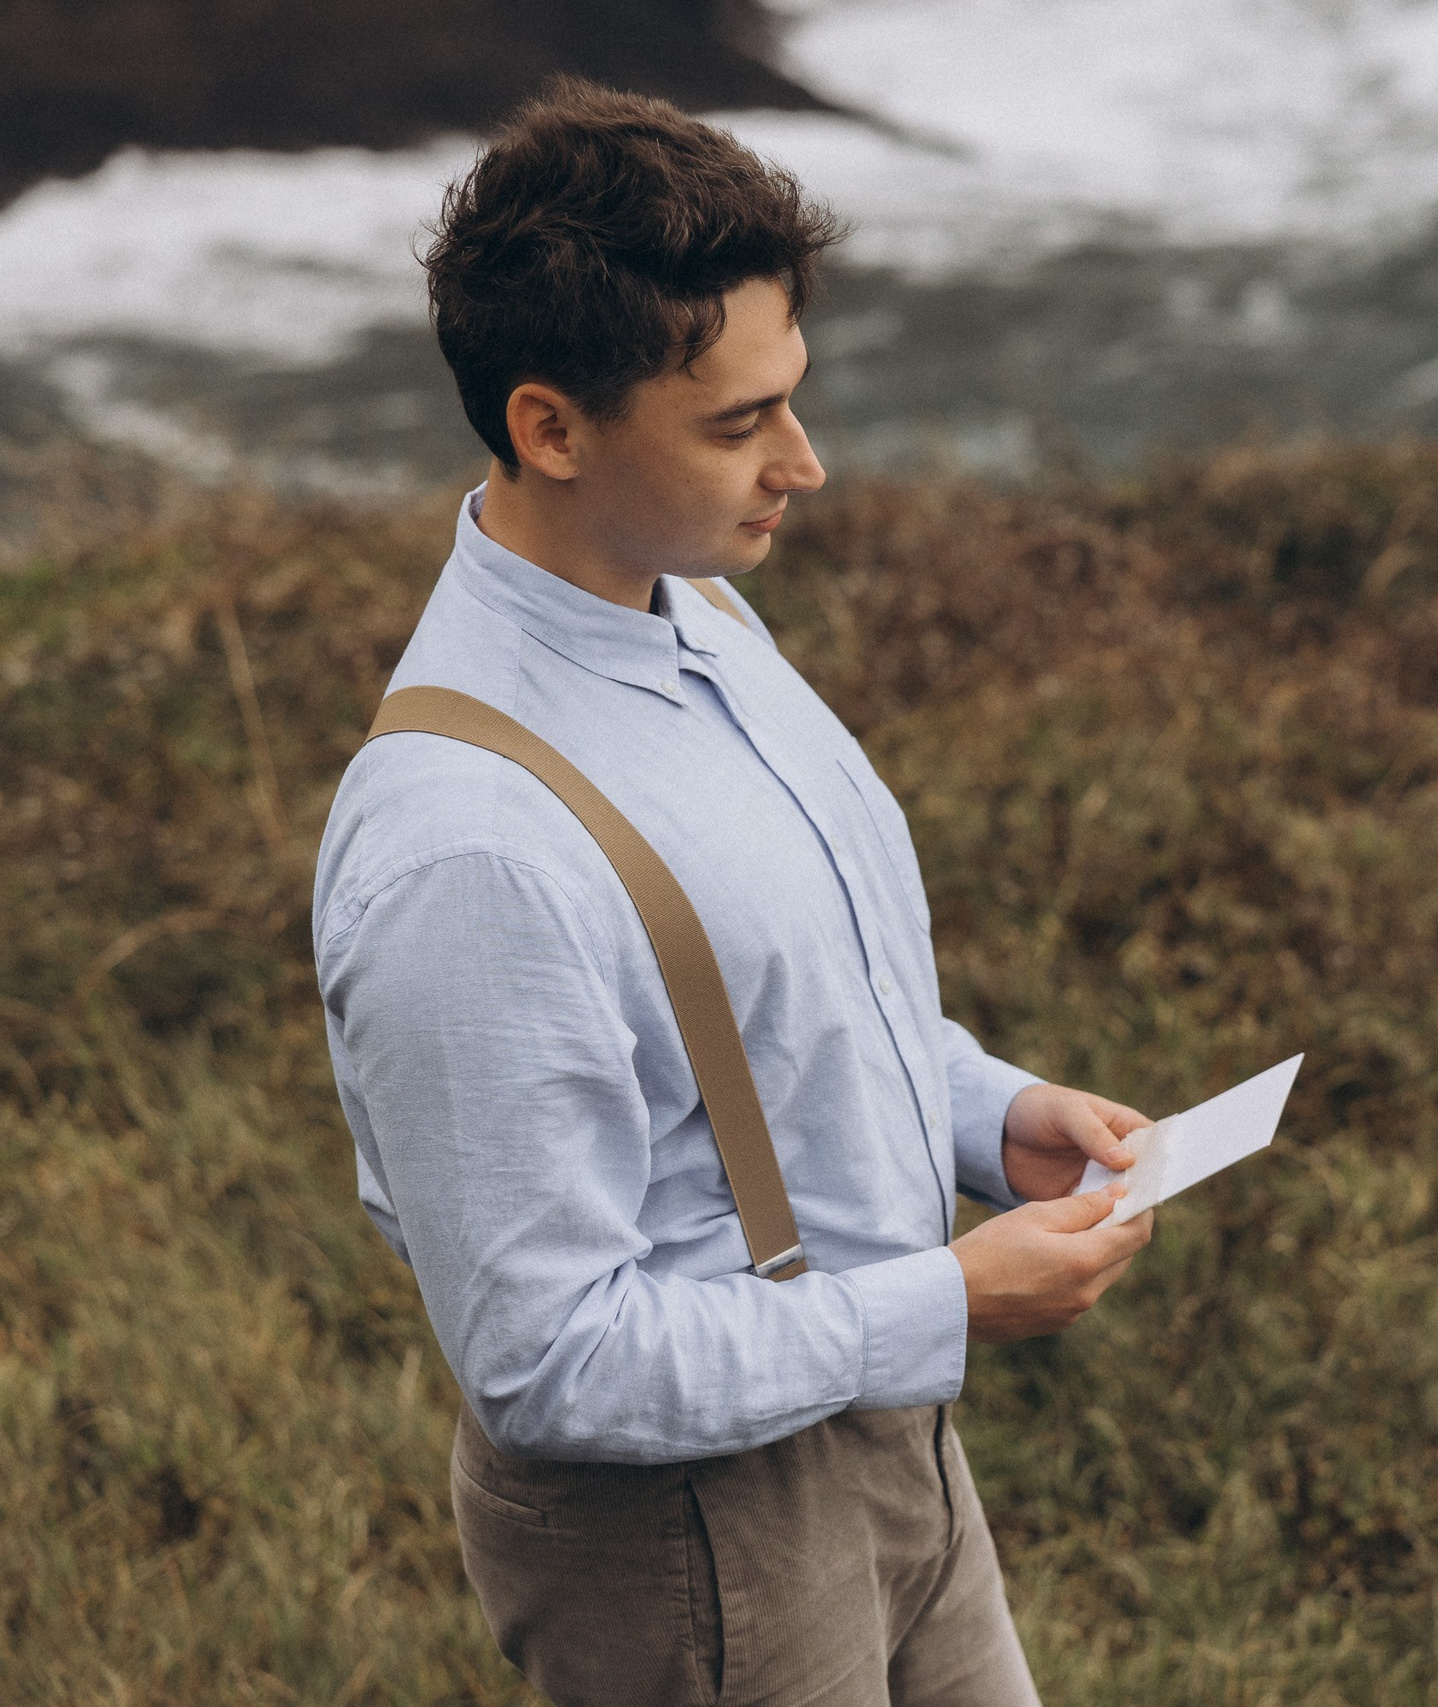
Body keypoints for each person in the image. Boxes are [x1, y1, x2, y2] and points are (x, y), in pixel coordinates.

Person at [313, 79, 1154, 1706]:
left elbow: (781, 1001)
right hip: (690, 1536)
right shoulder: (464, 846)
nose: (808, 464)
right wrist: (942, 1300)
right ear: (549, 426)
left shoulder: (695, 610)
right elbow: (550, 1359)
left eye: (794, 398)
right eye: (737, 423)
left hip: (889, 1443)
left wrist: (991, 1113)